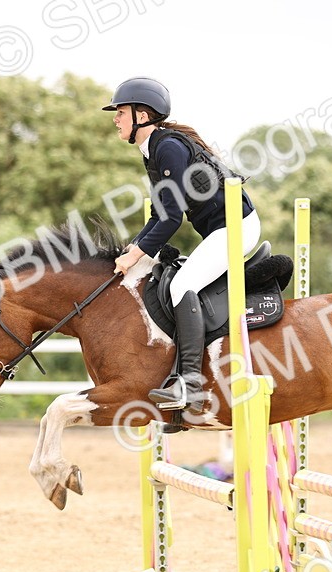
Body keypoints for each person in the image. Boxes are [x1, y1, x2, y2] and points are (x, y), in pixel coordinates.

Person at [105, 77, 260, 413]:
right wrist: (133, 250)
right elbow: (161, 214)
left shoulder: (168, 148)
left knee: (183, 284)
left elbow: (171, 219)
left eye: (120, 112)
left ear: (142, 116)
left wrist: (136, 252)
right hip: (221, 229)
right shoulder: (155, 150)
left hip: (235, 227)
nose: (115, 119)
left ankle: (189, 384)